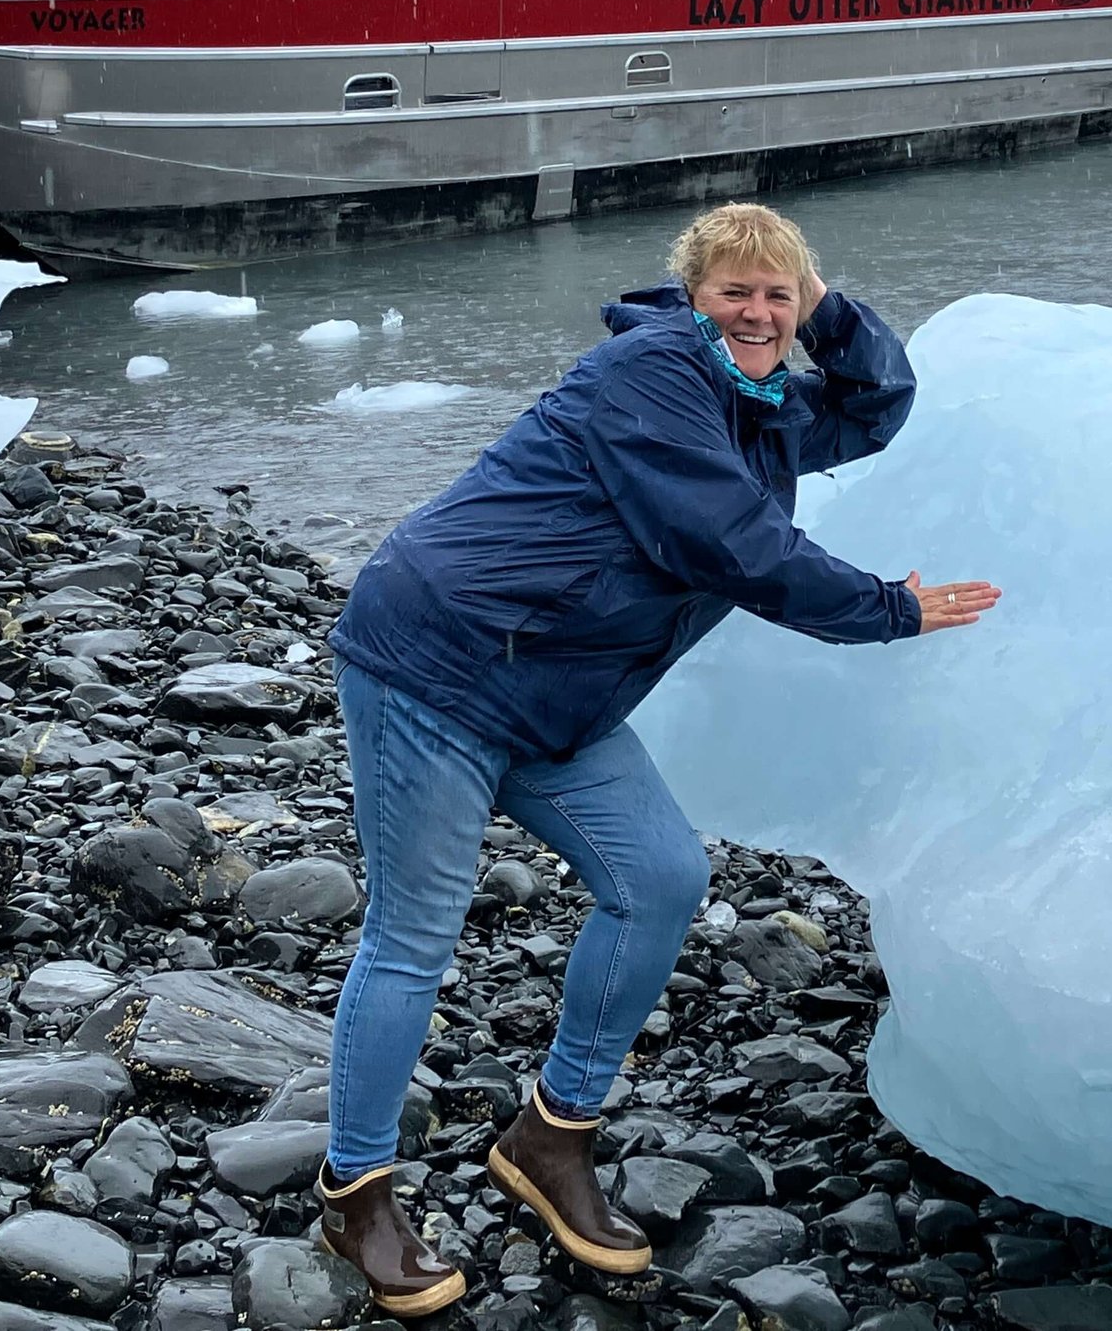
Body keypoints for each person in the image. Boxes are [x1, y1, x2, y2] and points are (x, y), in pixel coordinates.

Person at [318, 202, 1001, 1316]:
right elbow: (732, 543)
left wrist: (817, 307)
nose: (757, 310)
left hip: (557, 690)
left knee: (661, 880)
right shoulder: (647, 375)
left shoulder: (765, 399)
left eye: (778, 294)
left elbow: (877, 408)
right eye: (735, 289)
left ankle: (550, 1137)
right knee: (413, 937)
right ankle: (354, 1192)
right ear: (691, 299)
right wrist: (888, 610)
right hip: (437, 664)